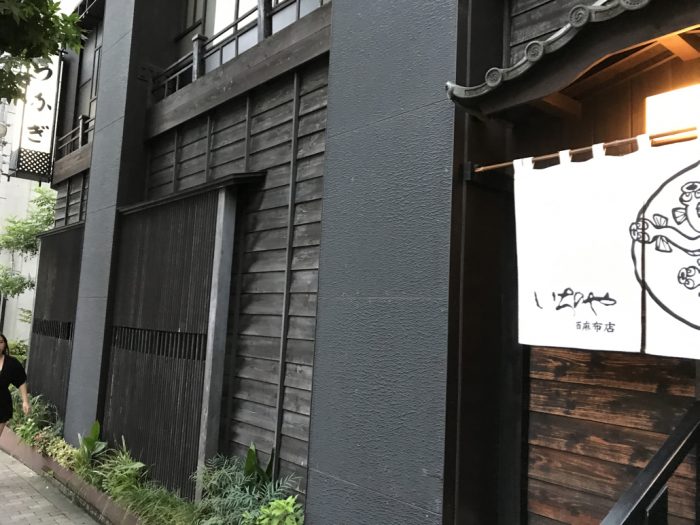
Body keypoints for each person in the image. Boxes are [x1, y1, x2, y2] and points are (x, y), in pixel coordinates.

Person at [0, 334, 29, 437]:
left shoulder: (11, 363)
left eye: (1, 342)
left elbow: (21, 381)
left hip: (2, 404)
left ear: (5, 344)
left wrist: (25, 401)